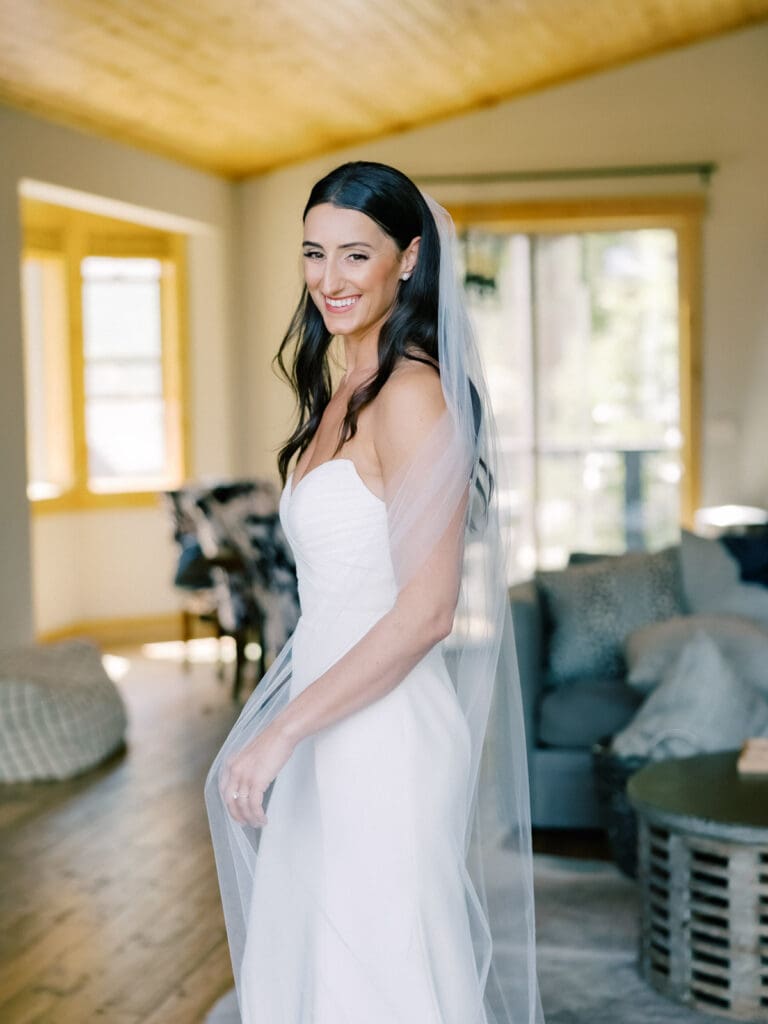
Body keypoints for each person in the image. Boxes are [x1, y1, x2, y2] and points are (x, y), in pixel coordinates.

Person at [205, 161, 543, 1024]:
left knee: (377, 974)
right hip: (327, 720)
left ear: (409, 258)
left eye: (357, 255)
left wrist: (279, 730)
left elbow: (427, 612)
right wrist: (292, 731)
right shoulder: (339, 389)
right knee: (314, 963)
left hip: (384, 737)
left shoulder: (413, 394)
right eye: (314, 254)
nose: (329, 279)